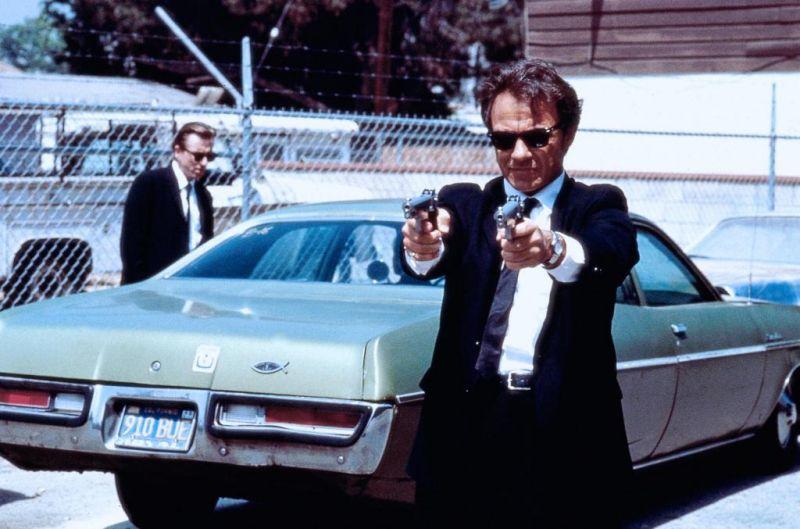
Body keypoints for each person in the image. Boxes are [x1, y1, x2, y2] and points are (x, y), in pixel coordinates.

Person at [401, 59, 639, 528]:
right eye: (504, 140)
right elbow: (433, 249)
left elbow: (608, 254)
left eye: (536, 137)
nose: (520, 154)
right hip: (463, 429)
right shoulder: (466, 204)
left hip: (560, 437)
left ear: (568, 134)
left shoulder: (598, 205)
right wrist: (423, 244)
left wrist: (550, 249)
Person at [120, 122, 216, 285]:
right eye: (198, 156)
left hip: (190, 285)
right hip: (152, 287)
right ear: (177, 151)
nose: (204, 163)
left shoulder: (203, 195)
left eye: (210, 156)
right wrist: (142, 288)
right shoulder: (150, 184)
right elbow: (132, 246)